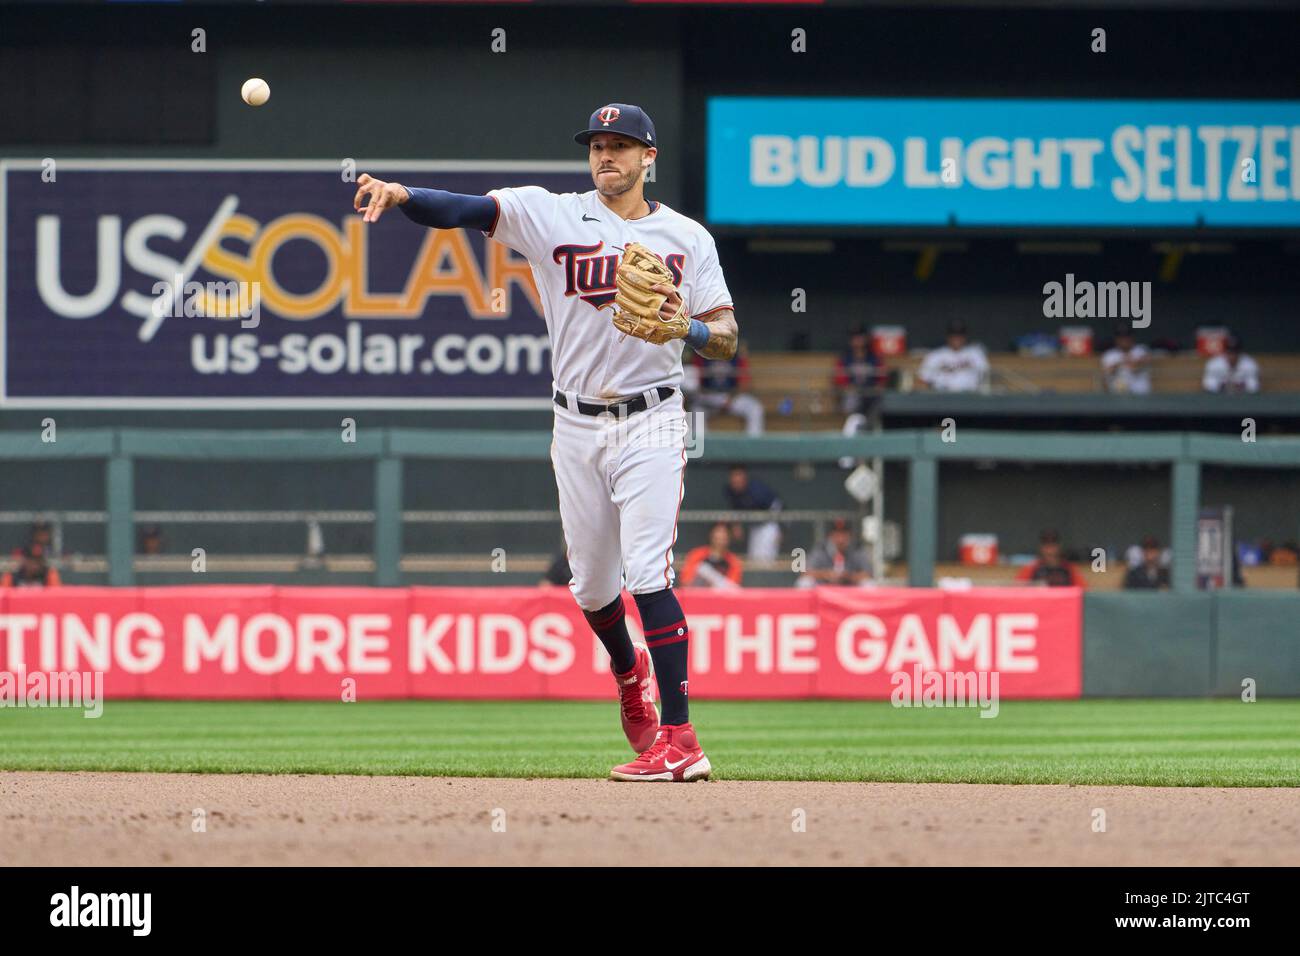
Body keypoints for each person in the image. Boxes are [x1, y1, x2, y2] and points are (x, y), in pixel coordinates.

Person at [355, 103, 732, 783]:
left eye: (620, 146)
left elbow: (727, 334)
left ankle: (681, 739)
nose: (605, 156)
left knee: (648, 572)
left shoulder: (688, 238)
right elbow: (461, 210)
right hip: (575, 423)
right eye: (597, 145)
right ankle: (628, 673)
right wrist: (403, 195)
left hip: (653, 419)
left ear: (649, 157)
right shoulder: (549, 213)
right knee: (590, 587)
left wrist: (689, 331)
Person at [687, 343, 764, 435]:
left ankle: (753, 445)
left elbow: (745, 384)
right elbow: (696, 386)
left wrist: (730, 399)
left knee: (755, 408)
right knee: (696, 411)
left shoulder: (736, 356)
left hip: (732, 397)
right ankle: (703, 445)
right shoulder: (700, 355)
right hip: (709, 398)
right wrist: (713, 399)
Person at [723, 465, 782, 562]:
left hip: (769, 525)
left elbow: (778, 506)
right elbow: (735, 508)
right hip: (754, 526)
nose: (736, 481)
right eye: (733, 477)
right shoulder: (731, 491)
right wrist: (736, 524)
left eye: (739, 477)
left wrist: (781, 530)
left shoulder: (757, 490)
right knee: (754, 558)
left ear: (745, 478)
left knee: (766, 560)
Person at [916, 319, 989, 393]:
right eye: (953, 335)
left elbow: (988, 378)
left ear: (965, 336)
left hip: (970, 395)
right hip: (941, 395)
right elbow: (922, 381)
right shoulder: (935, 355)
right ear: (947, 336)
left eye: (960, 335)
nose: (956, 338)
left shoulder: (975, 354)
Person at [797, 517, 872, 587]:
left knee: (869, 584)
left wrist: (848, 576)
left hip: (850, 589)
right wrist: (825, 574)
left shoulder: (856, 549)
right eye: (837, 534)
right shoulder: (821, 549)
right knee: (804, 582)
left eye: (844, 534)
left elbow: (868, 574)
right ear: (830, 536)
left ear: (850, 536)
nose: (841, 539)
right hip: (824, 588)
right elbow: (805, 572)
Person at [834, 324, 889, 416]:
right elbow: (840, 381)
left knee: (881, 401)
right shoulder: (845, 359)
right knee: (851, 400)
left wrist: (876, 388)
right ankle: (853, 425)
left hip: (871, 393)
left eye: (860, 337)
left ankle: (874, 426)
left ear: (866, 338)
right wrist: (851, 388)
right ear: (851, 340)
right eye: (855, 337)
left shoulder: (874, 358)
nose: (858, 340)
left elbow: (882, 379)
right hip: (853, 393)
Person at [679, 522, 743, 589]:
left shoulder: (733, 561)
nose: (721, 536)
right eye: (718, 532)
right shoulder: (697, 555)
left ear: (729, 537)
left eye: (725, 533)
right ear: (711, 534)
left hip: (721, 597)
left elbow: (733, 589)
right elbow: (685, 582)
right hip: (698, 595)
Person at [1015, 530, 1086, 587]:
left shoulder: (1068, 568)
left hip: (1063, 603)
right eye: (1046, 546)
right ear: (1041, 548)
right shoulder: (1032, 568)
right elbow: (1017, 590)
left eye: (1053, 546)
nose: (1050, 550)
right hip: (1040, 603)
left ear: (1059, 547)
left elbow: (1083, 590)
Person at [1101, 327, 1152, 395]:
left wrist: (1129, 362)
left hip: (1140, 395)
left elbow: (1136, 367)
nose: (1124, 340)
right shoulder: (1109, 354)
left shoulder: (1141, 350)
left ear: (1132, 337)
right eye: (1121, 337)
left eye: (1127, 336)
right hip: (1117, 396)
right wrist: (1121, 363)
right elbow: (1106, 374)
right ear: (1116, 339)